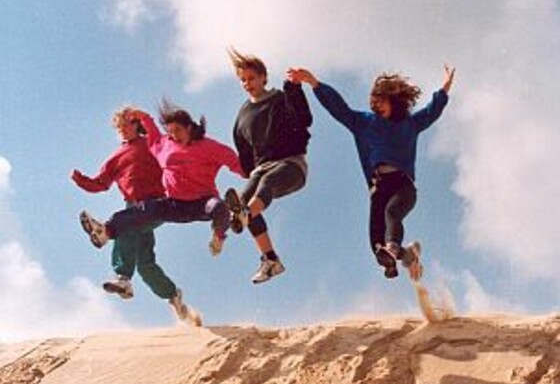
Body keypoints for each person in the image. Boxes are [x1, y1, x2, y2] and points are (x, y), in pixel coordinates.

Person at [289, 65, 455, 280]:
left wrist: (444, 89)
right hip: (379, 188)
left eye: (382, 101)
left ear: (394, 100)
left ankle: (394, 250)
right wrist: (315, 84)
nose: (377, 107)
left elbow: (432, 111)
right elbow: (338, 108)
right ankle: (406, 257)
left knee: (392, 214)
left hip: (403, 187)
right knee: (376, 243)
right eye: (374, 103)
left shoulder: (410, 124)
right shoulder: (364, 123)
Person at [79, 101, 245, 272]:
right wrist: (142, 116)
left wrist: (252, 173)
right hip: (174, 204)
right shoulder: (163, 144)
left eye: (178, 131)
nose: (174, 136)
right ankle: (105, 231)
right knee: (146, 209)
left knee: (218, 206)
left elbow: (234, 161)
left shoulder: (208, 146)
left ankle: (221, 234)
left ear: (189, 128)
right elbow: (152, 131)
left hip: (202, 202)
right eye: (170, 132)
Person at [71, 105, 197, 324]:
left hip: (157, 203)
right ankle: (173, 295)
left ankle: (120, 269)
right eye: (118, 125)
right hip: (133, 207)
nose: (122, 128)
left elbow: (160, 137)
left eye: (126, 123)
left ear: (136, 124)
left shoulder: (151, 142)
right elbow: (101, 183)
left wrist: (142, 115)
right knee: (145, 264)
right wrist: (80, 179)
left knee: (125, 228)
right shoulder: (117, 156)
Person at [225, 48, 313, 284]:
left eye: (251, 78)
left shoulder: (280, 98)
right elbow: (243, 151)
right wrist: (247, 170)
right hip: (260, 167)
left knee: (265, 185)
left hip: (290, 164)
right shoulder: (243, 114)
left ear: (264, 77)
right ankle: (270, 260)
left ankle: (245, 214)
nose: (247, 83)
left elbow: (304, 119)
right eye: (243, 79)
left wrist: (294, 88)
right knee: (243, 202)